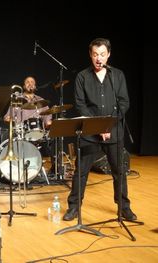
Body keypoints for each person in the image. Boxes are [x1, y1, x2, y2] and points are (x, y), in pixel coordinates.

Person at [63, 38, 137, 221]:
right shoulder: (82, 77)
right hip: (90, 133)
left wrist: (108, 125)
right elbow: (80, 105)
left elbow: (124, 103)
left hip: (114, 132)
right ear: (90, 54)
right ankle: (73, 208)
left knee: (119, 171)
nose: (99, 58)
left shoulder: (117, 75)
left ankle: (124, 208)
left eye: (102, 54)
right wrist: (98, 127)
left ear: (108, 54)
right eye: (95, 54)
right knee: (81, 172)